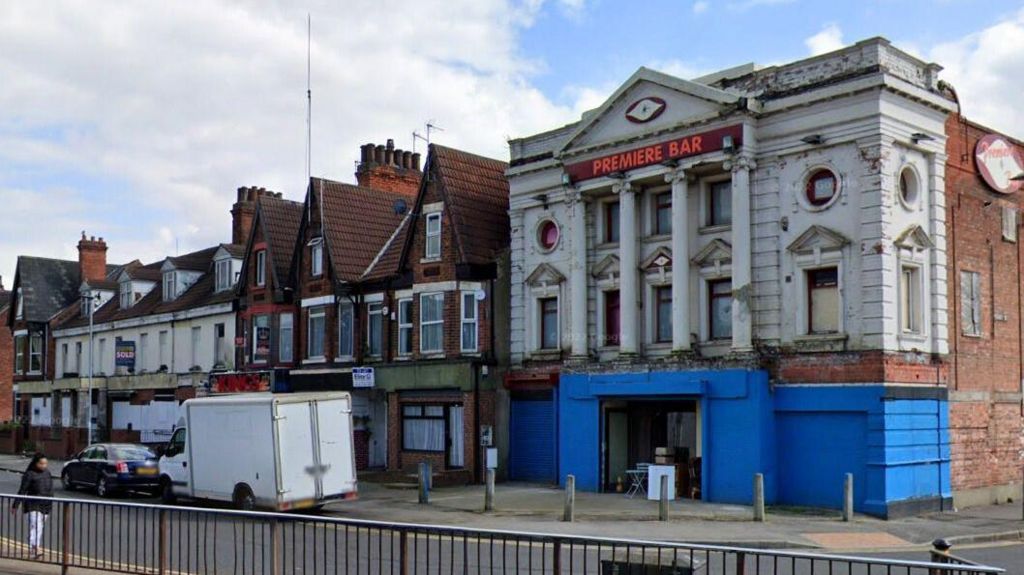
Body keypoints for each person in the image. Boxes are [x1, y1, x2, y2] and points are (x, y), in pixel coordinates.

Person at [10, 453, 53, 559]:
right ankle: (35, 548)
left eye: (45, 463)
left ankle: (33, 546)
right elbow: (22, 490)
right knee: (35, 526)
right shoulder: (29, 474)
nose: (44, 466)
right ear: (35, 463)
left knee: (39, 527)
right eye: (41, 463)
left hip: (46, 505)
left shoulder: (47, 473)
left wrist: (50, 501)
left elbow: (50, 488)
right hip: (32, 504)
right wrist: (15, 505)